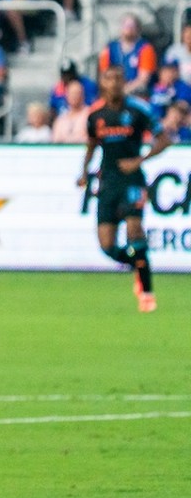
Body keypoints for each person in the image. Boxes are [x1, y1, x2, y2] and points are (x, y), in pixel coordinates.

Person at [77, 66, 170, 313]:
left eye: (118, 79)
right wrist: (84, 172)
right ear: (103, 84)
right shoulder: (95, 115)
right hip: (108, 182)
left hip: (133, 180)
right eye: (109, 79)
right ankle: (140, 268)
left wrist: (140, 160)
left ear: (124, 82)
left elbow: (164, 139)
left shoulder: (138, 110)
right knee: (107, 246)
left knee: (134, 229)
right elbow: (92, 145)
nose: (114, 83)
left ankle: (147, 293)